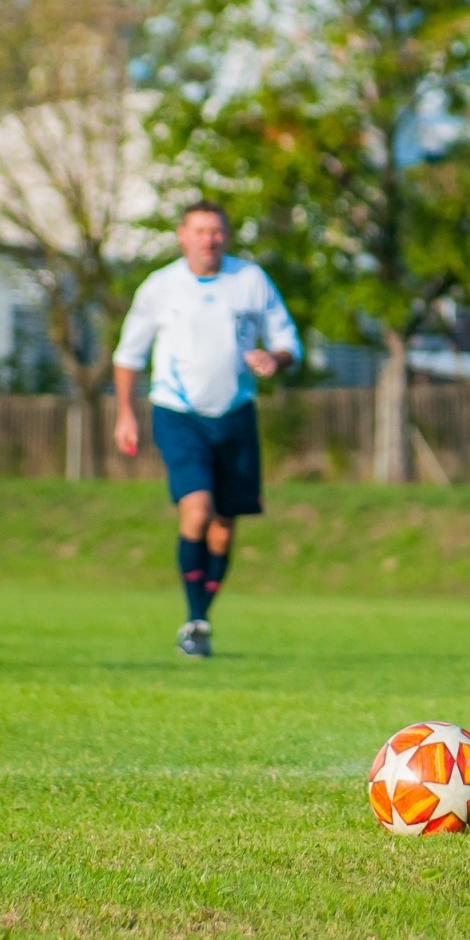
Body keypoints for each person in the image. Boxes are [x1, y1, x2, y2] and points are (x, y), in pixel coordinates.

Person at [112, 200, 300, 658]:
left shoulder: (250, 281)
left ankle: (199, 620)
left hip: (235, 414)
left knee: (223, 527)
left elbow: (287, 342)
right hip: (178, 412)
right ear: (182, 235)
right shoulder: (160, 287)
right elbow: (128, 355)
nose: (208, 239)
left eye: (216, 231)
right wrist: (125, 412)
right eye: (199, 231)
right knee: (196, 510)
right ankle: (194, 618)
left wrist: (273, 359)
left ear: (226, 236)